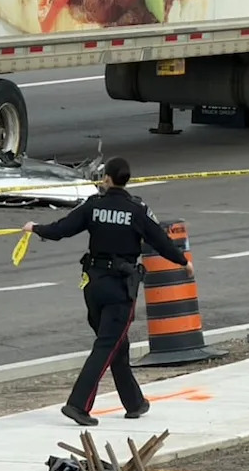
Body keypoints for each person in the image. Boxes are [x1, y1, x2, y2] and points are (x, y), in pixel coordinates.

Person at [22, 156, 191, 427]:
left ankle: (134, 402)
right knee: (106, 345)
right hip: (119, 289)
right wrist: (184, 262)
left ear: (107, 179)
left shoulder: (94, 206)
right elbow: (161, 241)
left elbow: (62, 229)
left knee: (116, 345)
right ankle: (78, 405)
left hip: (93, 285)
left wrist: (35, 228)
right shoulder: (137, 210)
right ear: (127, 179)